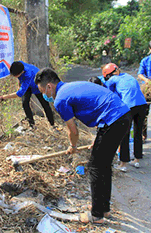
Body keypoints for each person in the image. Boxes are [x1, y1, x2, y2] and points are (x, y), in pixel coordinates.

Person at [34, 68, 131, 224]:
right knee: (103, 165)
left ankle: (97, 214)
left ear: (49, 87)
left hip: (114, 120)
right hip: (122, 117)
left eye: (42, 91)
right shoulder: (72, 87)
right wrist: (99, 137)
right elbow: (100, 105)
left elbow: (73, 130)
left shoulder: (60, 99)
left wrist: (72, 146)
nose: (44, 95)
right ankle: (104, 209)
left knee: (95, 166)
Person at [99, 63, 148, 171]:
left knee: (124, 134)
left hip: (130, 107)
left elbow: (106, 88)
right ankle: (137, 160)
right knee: (137, 132)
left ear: (111, 74)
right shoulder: (129, 76)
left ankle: (123, 164)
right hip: (143, 105)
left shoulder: (113, 79)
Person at [0, 61, 54, 129]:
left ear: (21, 72)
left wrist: (3, 97)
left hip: (37, 85)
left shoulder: (28, 75)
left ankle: (52, 124)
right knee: (25, 103)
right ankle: (32, 125)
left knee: (45, 104)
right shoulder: (19, 64)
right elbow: (19, 79)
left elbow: (19, 94)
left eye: (15, 76)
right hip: (27, 84)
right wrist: (19, 85)